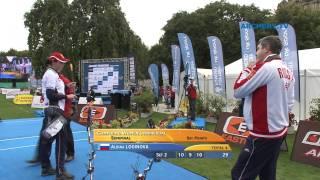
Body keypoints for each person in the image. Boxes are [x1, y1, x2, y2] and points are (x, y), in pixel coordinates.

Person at [231, 36, 295, 180]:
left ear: (266, 49)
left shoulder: (265, 67)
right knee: (267, 174)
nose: (256, 52)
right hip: (278, 131)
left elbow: (238, 90)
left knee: (240, 175)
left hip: (262, 134)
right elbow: (290, 103)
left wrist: (248, 68)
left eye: (258, 48)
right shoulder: (288, 71)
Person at [39, 51, 75, 179]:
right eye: (61, 62)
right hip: (56, 111)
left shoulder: (53, 74)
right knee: (62, 141)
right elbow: (50, 95)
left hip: (52, 111)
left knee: (46, 140)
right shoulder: (51, 74)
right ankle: (60, 172)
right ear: (53, 61)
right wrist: (67, 96)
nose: (63, 64)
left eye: (64, 62)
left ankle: (46, 168)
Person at [58, 73, 76, 162]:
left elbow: (71, 95)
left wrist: (71, 107)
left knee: (66, 132)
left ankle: (70, 153)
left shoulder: (64, 80)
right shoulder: (53, 77)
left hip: (65, 111)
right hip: (56, 110)